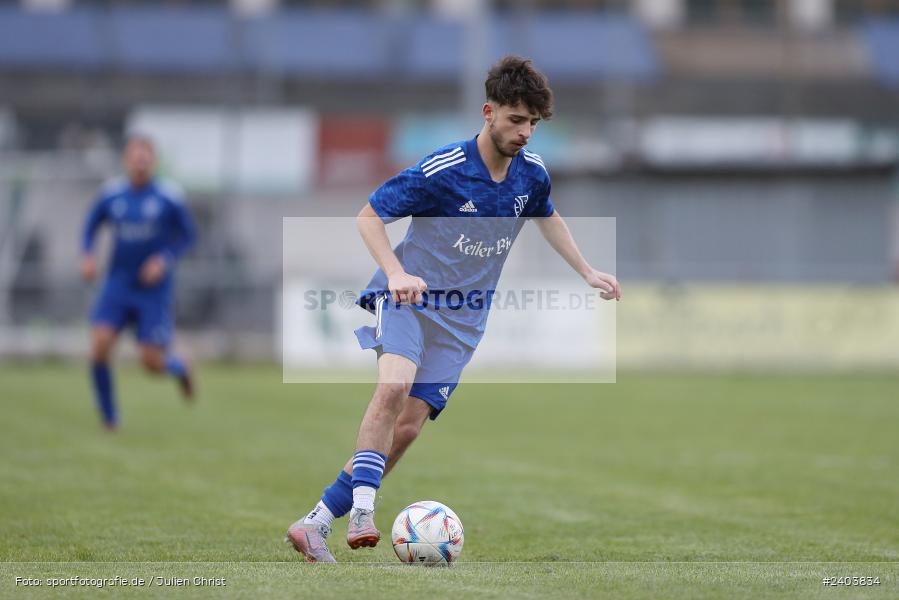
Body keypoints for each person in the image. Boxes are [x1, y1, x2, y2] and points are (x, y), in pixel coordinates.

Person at [287, 56, 620, 562]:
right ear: (489, 112)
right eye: (515, 119)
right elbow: (369, 215)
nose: (525, 131)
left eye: (532, 122)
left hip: (463, 321)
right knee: (393, 386)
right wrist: (396, 274)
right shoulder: (444, 169)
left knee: (409, 427)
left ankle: (314, 523)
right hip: (407, 301)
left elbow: (546, 216)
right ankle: (361, 511)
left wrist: (587, 271)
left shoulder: (531, 176)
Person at [80, 135, 197, 430]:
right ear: (126, 160)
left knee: (151, 363)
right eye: (135, 156)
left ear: (153, 162)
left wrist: (163, 259)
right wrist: (87, 255)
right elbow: (91, 225)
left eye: (146, 157)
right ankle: (110, 418)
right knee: (99, 345)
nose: (140, 162)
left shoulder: (169, 196)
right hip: (118, 284)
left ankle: (179, 367)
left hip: (153, 291)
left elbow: (188, 235)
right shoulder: (112, 194)